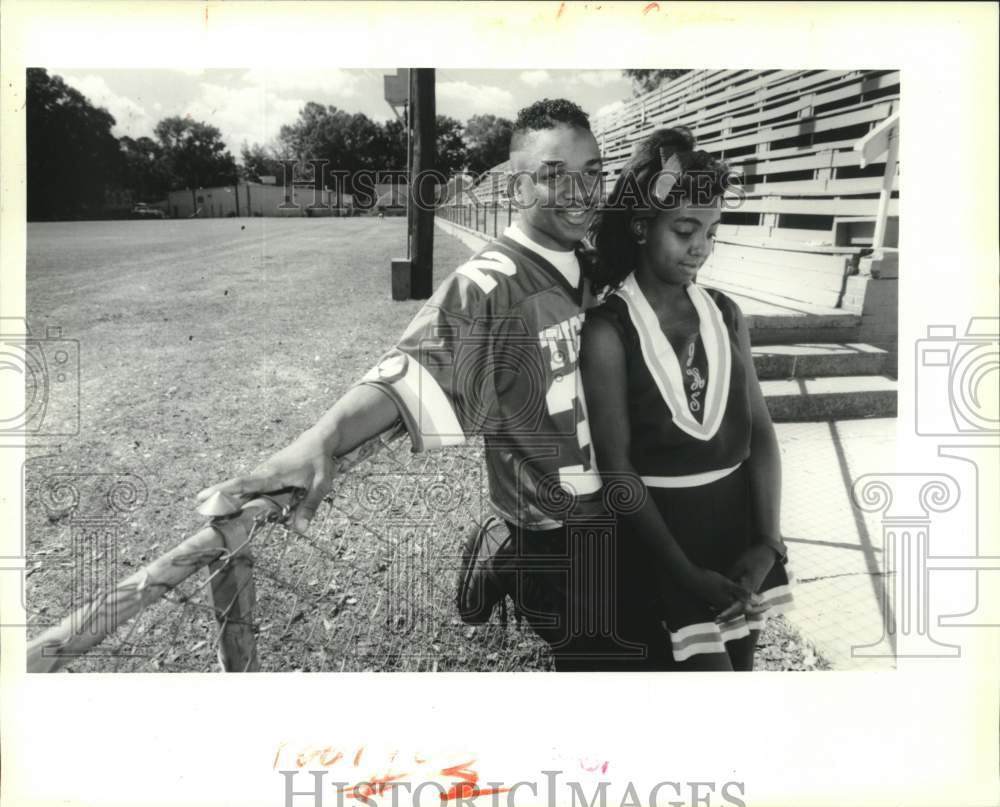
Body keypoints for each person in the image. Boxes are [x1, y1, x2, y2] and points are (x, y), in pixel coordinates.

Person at [197, 99, 672, 670]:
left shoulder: (580, 260)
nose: (579, 191)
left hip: (604, 508)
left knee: (651, 639)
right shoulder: (488, 284)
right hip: (551, 533)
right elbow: (409, 368)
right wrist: (320, 438)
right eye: (553, 176)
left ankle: (499, 550)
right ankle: (507, 550)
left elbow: (628, 227)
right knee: (617, 669)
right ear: (514, 189)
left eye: (591, 172)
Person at [580, 128, 793, 671]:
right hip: (662, 544)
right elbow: (618, 469)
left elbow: (762, 435)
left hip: (738, 534)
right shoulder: (610, 331)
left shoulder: (726, 313)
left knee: (739, 668)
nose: (700, 246)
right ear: (642, 226)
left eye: (711, 231)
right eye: (684, 229)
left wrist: (767, 541)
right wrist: (683, 572)